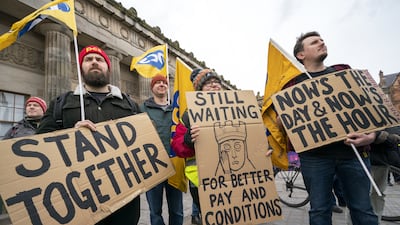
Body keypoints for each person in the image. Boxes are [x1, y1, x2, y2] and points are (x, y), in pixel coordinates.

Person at [36, 45, 141, 225]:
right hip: (80, 201)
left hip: (125, 204)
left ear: (108, 67)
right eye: (88, 59)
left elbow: (144, 140)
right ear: (80, 67)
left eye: (99, 59)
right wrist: (70, 137)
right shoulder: (61, 103)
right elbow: (40, 143)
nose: (94, 62)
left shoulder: (129, 104)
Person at [288, 31, 378, 225]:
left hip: (353, 155)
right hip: (315, 158)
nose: (321, 43)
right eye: (314, 42)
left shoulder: (343, 72)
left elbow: (371, 108)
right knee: (319, 212)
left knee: (364, 211)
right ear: (300, 55)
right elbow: (283, 122)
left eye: (322, 40)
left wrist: (371, 135)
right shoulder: (292, 85)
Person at [171, 68, 223, 225]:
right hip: (202, 179)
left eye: (217, 83)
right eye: (208, 84)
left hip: (233, 176)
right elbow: (177, 146)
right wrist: (187, 140)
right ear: (199, 90)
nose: (214, 86)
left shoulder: (238, 109)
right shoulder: (189, 114)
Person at [140, 74, 184, 225]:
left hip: (175, 165)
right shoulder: (142, 109)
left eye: (164, 82)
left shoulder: (176, 109)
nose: (161, 85)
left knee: (177, 210)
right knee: (155, 211)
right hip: (152, 167)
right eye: (157, 82)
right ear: (152, 87)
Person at [1, 96, 47, 214]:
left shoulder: (51, 126)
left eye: (35, 105)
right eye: (28, 105)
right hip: (23, 176)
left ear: (43, 110)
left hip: (46, 176)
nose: (31, 107)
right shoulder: (15, 129)